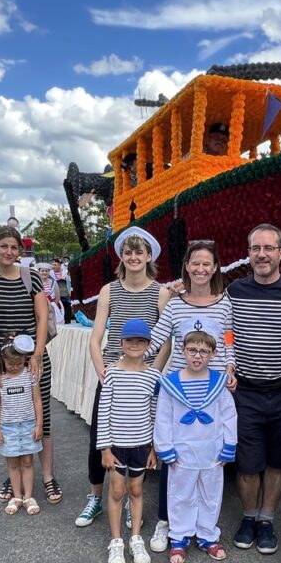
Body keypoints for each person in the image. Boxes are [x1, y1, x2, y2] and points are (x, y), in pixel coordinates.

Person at [143, 239, 235, 552]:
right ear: (186, 266)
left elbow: (228, 337)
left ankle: (206, 531)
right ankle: (170, 526)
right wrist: (132, 361)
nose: (200, 269)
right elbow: (156, 338)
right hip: (180, 388)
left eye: (206, 263)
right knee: (178, 463)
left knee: (208, 471)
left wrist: (231, 366)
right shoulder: (175, 303)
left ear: (215, 268)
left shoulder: (224, 302)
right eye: (195, 263)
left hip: (214, 387)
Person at [77, 225, 171, 528]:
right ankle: (95, 498)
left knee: (139, 439)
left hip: (143, 378)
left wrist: (155, 370)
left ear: (148, 256)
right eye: (128, 252)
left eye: (138, 252)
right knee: (100, 439)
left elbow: (167, 337)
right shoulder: (109, 290)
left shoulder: (161, 292)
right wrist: (101, 368)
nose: (133, 256)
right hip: (113, 375)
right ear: (122, 256)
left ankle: (132, 502)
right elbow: (95, 337)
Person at [226, 223, 281, 555]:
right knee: (247, 463)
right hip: (246, 392)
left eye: (269, 248)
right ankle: (248, 517)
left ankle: (266, 519)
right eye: (255, 248)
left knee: (278, 462)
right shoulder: (234, 291)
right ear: (248, 254)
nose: (262, 254)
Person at [0, 225, 63, 507]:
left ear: (20, 251)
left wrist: (36, 355)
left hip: (31, 360)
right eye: (4, 247)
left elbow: (42, 317)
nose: (9, 252)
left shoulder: (32, 278)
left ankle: (47, 476)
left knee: (39, 416)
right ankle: (14, 478)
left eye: (14, 247)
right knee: (5, 418)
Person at [155, 322, 237, 563]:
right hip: (182, 451)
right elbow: (163, 418)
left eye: (203, 351)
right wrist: (165, 447)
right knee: (180, 494)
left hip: (211, 450)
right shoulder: (170, 384)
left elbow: (229, 415)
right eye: (192, 350)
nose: (197, 356)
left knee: (210, 494)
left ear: (213, 354)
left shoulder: (219, 383)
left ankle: (207, 534)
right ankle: (179, 536)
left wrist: (229, 445)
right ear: (182, 351)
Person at [97, 318, 161, 563]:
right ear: (121, 342)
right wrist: (104, 448)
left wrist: (155, 447)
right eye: (130, 340)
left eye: (141, 340)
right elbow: (103, 412)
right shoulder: (111, 372)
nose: (135, 345)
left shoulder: (154, 375)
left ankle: (136, 538)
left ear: (148, 344)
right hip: (116, 446)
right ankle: (116, 542)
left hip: (142, 445)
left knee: (136, 490)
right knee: (116, 491)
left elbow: (156, 413)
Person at [0, 333, 44, 516]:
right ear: (2, 360)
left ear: (25, 360)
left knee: (28, 461)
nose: (15, 367)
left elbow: (37, 401)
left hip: (28, 424)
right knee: (12, 462)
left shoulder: (30, 376)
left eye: (19, 363)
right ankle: (17, 495)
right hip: (8, 427)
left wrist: (39, 425)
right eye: (11, 364)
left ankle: (28, 496)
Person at [36, 262, 65, 327]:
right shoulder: (36, 282)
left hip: (52, 306)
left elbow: (57, 296)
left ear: (49, 272)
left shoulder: (53, 282)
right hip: (39, 306)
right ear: (39, 272)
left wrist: (53, 305)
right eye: (42, 271)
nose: (44, 273)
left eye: (46, 271)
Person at [52, 257, 73, 323]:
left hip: (65, 292)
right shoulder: (50, 273)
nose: (53, 266)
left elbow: (70, 281)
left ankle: (67, 320)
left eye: (55, 265)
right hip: (55, 293)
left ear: (60, 265)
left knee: (66, 305)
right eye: (52, 265)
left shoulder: (66, 272)